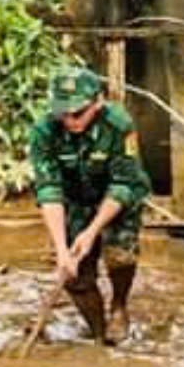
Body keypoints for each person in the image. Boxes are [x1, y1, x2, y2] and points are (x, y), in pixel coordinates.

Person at [29, 67, 152, 345]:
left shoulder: (118, 125)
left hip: (117, 197)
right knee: (74, 274)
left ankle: (119, 306)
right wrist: (62, 250)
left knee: (120, 255)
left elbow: (123, 184)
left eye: (78, 113)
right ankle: (98, 333)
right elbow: (49, 191)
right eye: (64, 113)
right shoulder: (44, 131)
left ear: (97, 102)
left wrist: (93, 231)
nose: (70, 120)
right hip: (75, 200)